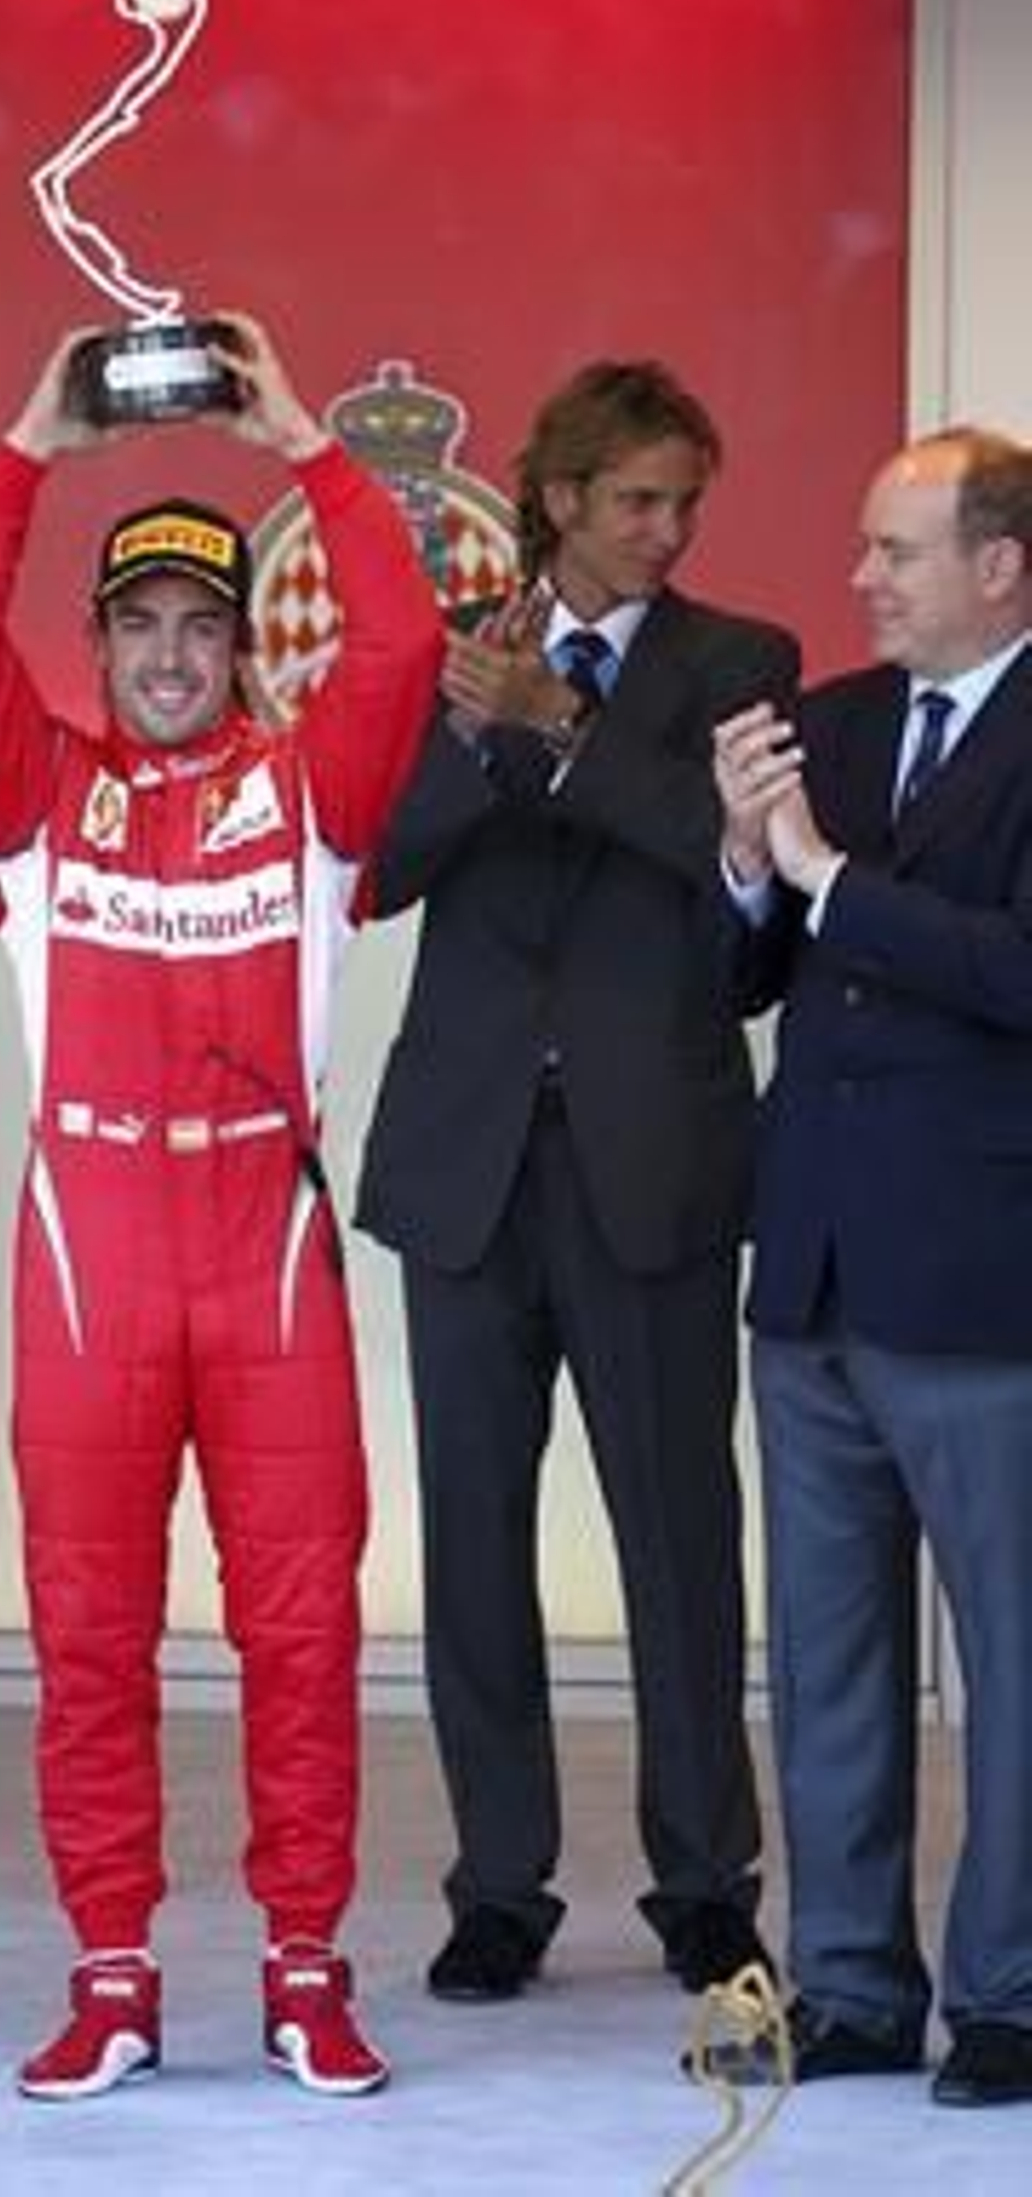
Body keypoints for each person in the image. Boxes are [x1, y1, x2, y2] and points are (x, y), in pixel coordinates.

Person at [0, 313, 441, 2102]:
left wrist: (302, 435)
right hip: (92, 1251)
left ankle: (305, 1967)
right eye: (134, 623)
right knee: (88, 1632)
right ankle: (114, 1975)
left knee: (302, 1630)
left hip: (263, 1251)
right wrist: (30, 444)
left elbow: (408, 634)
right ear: (101, 640)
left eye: (199, 624)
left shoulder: (314, 796)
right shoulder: (41, 795)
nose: (165, 654)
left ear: (240, 643)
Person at [355, 359, 799, 2005]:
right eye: (637, 502)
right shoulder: (445, 642)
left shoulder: (742, 660)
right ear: (558, 500)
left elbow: (717, 846)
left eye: (686, 501)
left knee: (680, 1531)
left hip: (656, 1158)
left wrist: (569, 724)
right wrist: (477, 738)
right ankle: (499, 1888)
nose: (669, 530)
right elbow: (379, 868)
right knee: (471, 1538)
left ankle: (705, 1884)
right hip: (467, 1162)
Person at [712, 426, 1032, 2107]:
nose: (860, 580)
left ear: (1001, 564)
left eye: (894, 553)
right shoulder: (828, 727)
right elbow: (749, 976)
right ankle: (847, 1989)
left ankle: (1013, 1998)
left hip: (988, 1277)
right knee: (825, 1657)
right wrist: (746, 867)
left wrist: (827, 875)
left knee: (1016, 1661)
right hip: (817, 1266)